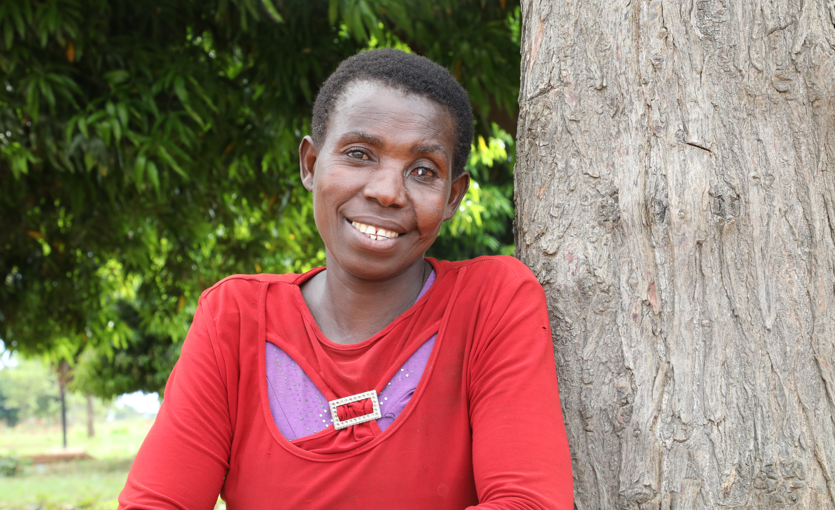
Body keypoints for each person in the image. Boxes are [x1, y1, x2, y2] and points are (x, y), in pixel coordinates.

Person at [118, 49, 573, 509]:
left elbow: (528, 503)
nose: (387, 191)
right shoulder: (235, 319)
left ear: (453, 196)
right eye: (359, 154)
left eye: (423, 171)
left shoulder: (490, 303)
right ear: (311, 165)